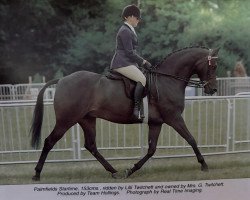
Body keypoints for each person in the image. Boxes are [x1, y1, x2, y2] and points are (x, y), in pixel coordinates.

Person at [110, 4, 152, 119]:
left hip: (127, 62)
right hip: (122, 62)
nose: (138, 20)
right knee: (142, 79)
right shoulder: (125, 31)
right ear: (129, 17)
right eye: (137, 17)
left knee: (144, 77)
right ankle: (136, 108)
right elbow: (129, 52)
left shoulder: (129, 30)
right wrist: (143, 62)